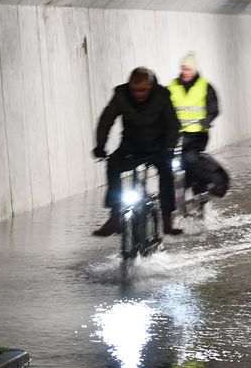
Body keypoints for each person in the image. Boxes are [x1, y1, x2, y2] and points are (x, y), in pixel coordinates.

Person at [92, 67, 182, 236]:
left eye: (143, 90)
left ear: (150, 85)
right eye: (134, 90)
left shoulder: (161, 96)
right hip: (131, 148)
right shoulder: (121, 95)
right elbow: (106, 120)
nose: (138, 94)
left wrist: (169, 147)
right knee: (113, 165)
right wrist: (100, 146)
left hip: (158, 149)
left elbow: (173, 124)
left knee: (166, 170)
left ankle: (167, 218)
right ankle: (114, 216)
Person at [167, 52, 219, 180]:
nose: (185, 72)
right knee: (166, 160)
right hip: (177, 133)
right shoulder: (172, 86)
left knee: (190, 158)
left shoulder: (205, 86)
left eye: (188, 69)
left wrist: (206, 121)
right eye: (183, 68)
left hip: (197, 134)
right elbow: (163, 105)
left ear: (194, 70)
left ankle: (200, 189)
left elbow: (213, 109)